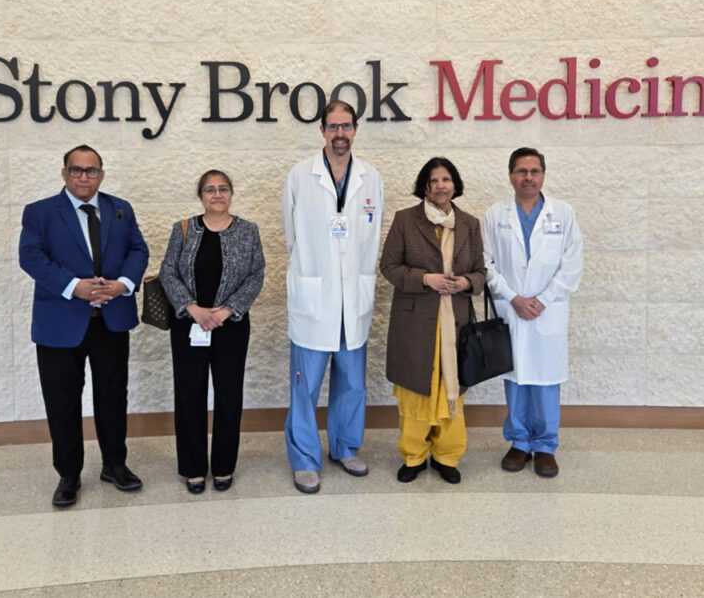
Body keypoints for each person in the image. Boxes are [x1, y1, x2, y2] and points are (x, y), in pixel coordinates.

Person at [19, 144, 149, 507]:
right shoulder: (40, 212)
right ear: (64, 173)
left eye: (91, 171)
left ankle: (115, 465)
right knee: (62, 401)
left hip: (111, 320)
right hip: (60, 324)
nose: (83, 177)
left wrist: (124, 284)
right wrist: (72, 286)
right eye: (76, 170)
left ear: (101, 175)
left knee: (113, 396)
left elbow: (138, 250)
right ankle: (68, 474)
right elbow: (30, 256)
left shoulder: (120, 209)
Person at [281, 100, 384, 494]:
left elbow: (372, 236)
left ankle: (345, 447)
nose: (340, 134)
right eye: (333, 126)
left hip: (353, 298)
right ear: (322, 130)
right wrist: (313, 268)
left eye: (346, 126)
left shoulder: (370, 178)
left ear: (355, 129)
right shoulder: (300, 176)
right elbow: (291, 235)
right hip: (315, 296)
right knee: (305, 385)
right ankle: (305, 458)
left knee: (352, 382)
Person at [380, 157, 486, 485]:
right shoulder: (405, 220)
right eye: (434, 180)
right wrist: (427, 279)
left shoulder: (469, 224)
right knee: (416, 392)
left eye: (446, 179)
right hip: (415, 324)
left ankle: (446, 456)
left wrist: (466, 282)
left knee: (453, 390)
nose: (441, 185)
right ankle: (413, 456)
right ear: (424, 186)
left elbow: (481, 272)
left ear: (455, 185)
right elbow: (389, 266)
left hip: (456, 324)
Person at [159, 170, 266, 494]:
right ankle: (193, 468)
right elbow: (168, 271)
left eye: (223, 189)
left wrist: (227, 310)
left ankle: (223, 466)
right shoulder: (183, 228)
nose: (217, 194)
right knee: (189, 395)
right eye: (210, 189)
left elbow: (256, 274)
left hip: (231, 326)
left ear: (231, 194)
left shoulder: (248, 230)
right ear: (200, 195)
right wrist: (192, 308)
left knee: (229, 396)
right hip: (188, 324)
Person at [483, 147, 583, 478]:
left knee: (546, 380)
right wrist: (513, 298)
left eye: (535, 171)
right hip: (512, 309)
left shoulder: (563, 214)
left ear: (543, 175)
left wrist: (543, 299)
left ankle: (545, 446)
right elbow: (485, 263)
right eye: (522, 171)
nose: (528, 177)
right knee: (516, 377)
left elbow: (572, 264)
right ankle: (519, 442)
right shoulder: (495, 215)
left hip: (547, 310)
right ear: (511, 176)